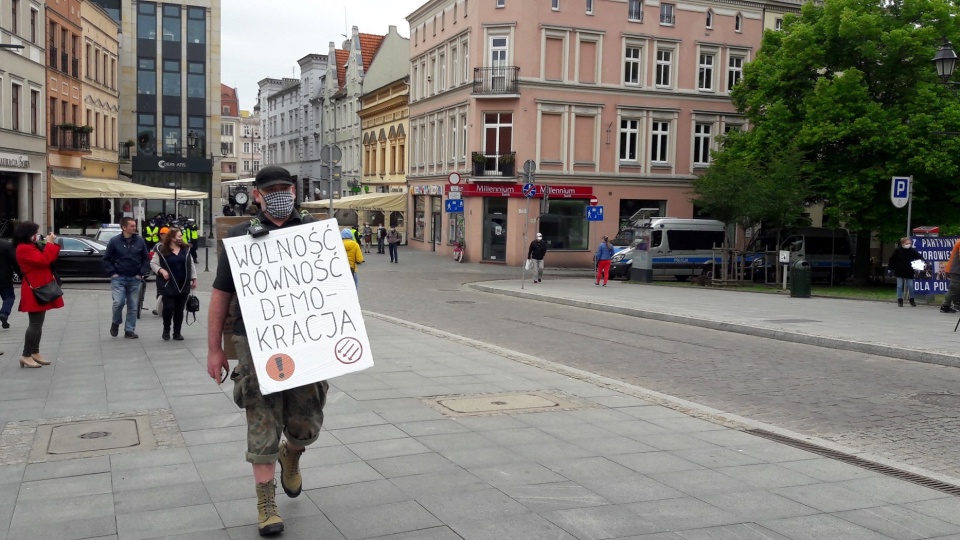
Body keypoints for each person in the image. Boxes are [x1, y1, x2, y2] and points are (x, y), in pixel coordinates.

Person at [207, 165, 328, 536]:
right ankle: (266, 502)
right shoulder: (241, 237)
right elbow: (220, 295)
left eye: (285, 188)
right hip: (254, 341)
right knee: (261, 416)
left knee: (305, 420)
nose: (279, 194)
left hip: (305, 337)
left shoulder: (312, 232)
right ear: (257, 195)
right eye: (270, 189)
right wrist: (215, 349)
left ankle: (292, 453)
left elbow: (333, 285)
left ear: (294, 191)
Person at [14, 223, 62, 368]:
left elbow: (48, 259)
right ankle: (26, 354)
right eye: (35, 232)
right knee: (35, 324)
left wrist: (47, 244)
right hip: (34, 288)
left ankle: (35, 352)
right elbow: (43, 260)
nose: (37, 235)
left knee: (38, 323)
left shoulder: (31, 246)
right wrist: (49, 244)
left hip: (40, 286)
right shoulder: (23, 248)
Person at [103, 217, 150, 338]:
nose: (135, 228)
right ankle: (116, 322)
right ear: (124, 227)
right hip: (119, 277)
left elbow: (146, 258)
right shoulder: (114, 241)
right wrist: (112, 273)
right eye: (132, 226)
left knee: (133, 305)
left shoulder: (140, 241)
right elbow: (106, 259)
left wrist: (141, 273)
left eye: (135, 225)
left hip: (135, 278)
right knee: (118, 303)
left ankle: (129, 330)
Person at [151, 227, 197, 340]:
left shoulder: (185, 249)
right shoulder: (161, 250)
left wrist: (194, 278)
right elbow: (153, 263)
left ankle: (177, 332)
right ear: (172, 238)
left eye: (181, 236)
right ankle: (166, 329)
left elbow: (191, 264)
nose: (181, 238)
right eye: (179, 236)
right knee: (168, 307)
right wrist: (162, 270)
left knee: (179, 309)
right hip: (168, 284)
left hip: (183, 283)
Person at [888, 236, 923, 307]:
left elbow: (919, 256)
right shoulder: (898, 250)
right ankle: (900, 300)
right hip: (899, 270)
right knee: (900, 286)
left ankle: (912, 299)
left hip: (909, 270)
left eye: (910, 243)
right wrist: (890, 268)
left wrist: (921, 261)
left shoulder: (911, 250)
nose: (909, 245)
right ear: (903, 243)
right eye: (907, 243)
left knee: (910, 286)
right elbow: (892, 259)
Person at [0, 239, 21, 329]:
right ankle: (4, 313)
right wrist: (21, 275)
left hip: (5, 277)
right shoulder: (6, 245)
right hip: (4, 278)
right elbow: (15, 261)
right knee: (9, 297)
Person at [941, 238, 960, 313]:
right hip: (956, 270)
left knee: (956, 288)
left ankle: (956, 304)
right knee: (954, 289)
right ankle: (945, 306)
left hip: (955, 270)